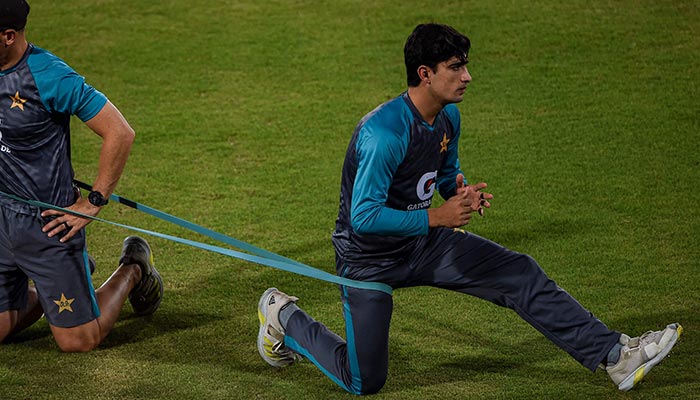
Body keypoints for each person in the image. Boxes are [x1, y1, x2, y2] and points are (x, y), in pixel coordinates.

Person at [256, 23, 682, 394]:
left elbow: (443, 173)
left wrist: (458, 190)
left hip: (421, 244)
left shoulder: (447, 118)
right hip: (368, 260)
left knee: (518, 272)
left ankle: (614, 355)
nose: (468, 76)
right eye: (456, 67)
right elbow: (363, 218)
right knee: (365, 381)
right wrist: (437, 217)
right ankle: (283, 315)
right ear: (425, 74)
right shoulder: (383, 134)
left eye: (465, 65)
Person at [0, 0, 163, 352]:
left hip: (47, 223)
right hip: (1, 217)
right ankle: (59, 286)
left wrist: (93, 202)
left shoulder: (48, 76)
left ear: (8, 36)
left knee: (78, 340)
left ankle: (134, 267)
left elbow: (120, 132)